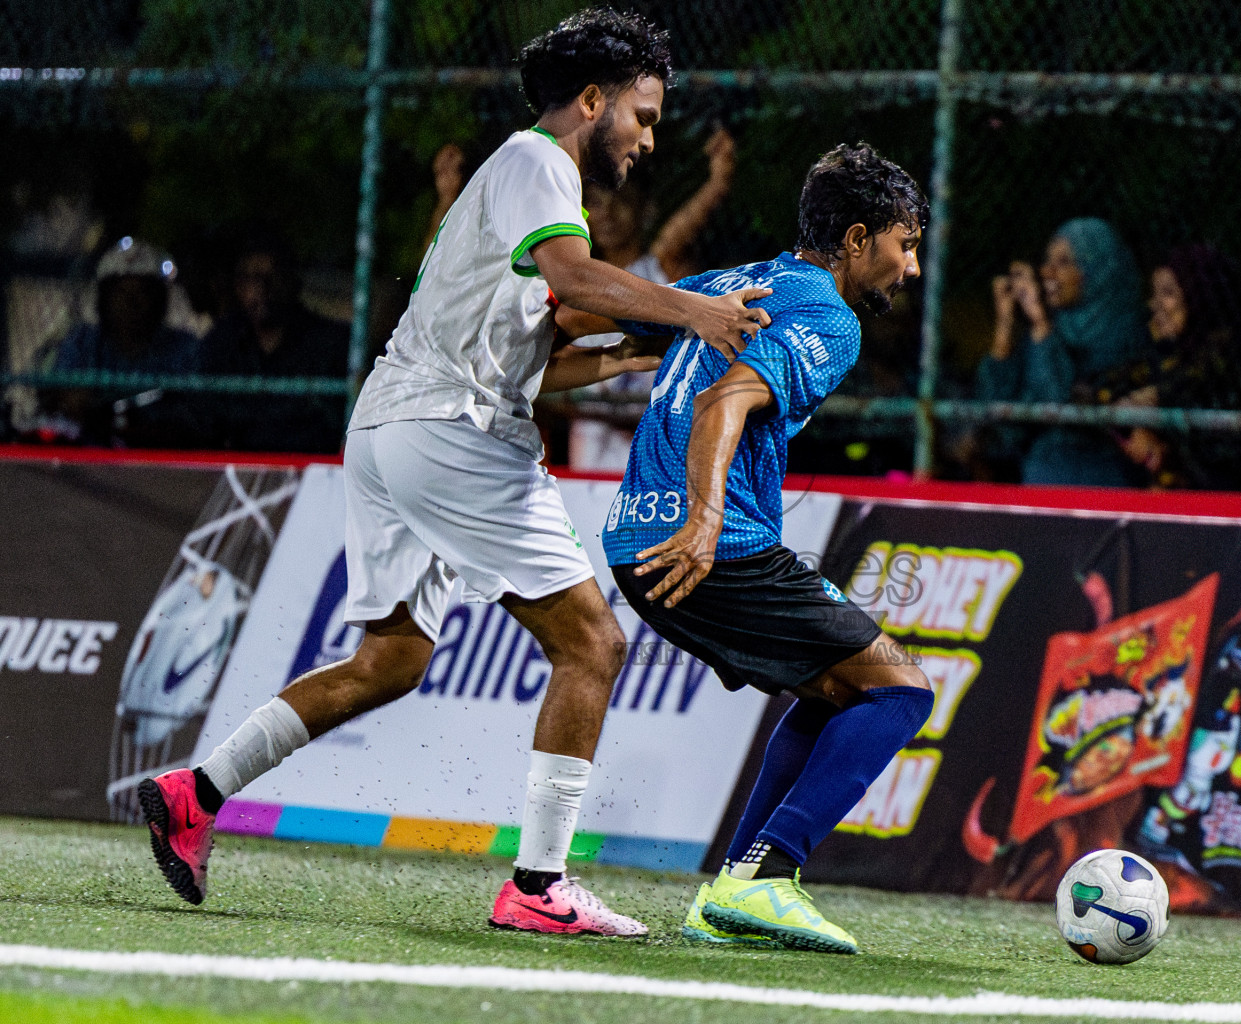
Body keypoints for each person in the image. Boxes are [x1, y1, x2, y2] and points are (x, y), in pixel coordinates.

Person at [136, 7, 771, 938]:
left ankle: (195, 792)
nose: (646, 138)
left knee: (390, 662)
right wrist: (693, 312)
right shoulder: (540, 165)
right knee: (593, 645)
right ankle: (540, 885)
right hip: (451, 432)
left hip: (391, 426)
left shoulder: (516, 180)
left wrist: (628, 358)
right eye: (641, 115)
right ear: (591, 101)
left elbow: (534, 351)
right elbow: (577, 276)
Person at [588, 143, 934, 954]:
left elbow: (577, 315)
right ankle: (765, 878)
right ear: (857, 239)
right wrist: (707, 520)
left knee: (837, 690)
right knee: (901, 692)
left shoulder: (729, 281)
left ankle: (732, 893)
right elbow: (723, 401)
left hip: (632, 537)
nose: (911, 266)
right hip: (711, 545)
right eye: (905, 241)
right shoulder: (828, 315)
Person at [569, 126, 737, 471]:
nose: (607, 214)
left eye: (621, 202)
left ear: (645, 209)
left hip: (654, 444)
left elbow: (674, 238)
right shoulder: (573, 280)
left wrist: (716, 185)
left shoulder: (658, 269)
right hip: (590, 446)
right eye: (596, 203)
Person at [977, 218, 1151, 486]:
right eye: (1048, 261)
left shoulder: (1124, 334)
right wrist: (1004, 325)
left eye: (1065, 263)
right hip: (1041, 482)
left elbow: (1059, 403)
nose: (1047, 272)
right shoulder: (1050, 332)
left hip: (1102, 483)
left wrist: (1040, 324)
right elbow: (1002, 418)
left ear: (1095, 270)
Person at [1114, 244, 1241, 490]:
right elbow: (1101, 393)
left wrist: (1149, 435)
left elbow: (1149, 400)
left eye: (1167, 293)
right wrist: (1141, 438)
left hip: (1230, 492)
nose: (1154, 304)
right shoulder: (1170, 353)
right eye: (1154, 293)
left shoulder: (1224, 354)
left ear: (1199, 295)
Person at [199, 233, 350, 453]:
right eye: (252, 278)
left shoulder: (331, 343)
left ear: (293, 282)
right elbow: (205, 423)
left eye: (274, 276)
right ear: (239, 287)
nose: (262, 288)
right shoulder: (221, 343)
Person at [47, 238, 203, 447]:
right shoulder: (82, 341)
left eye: (143, 291)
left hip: (160, 459)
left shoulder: (185, 347)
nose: (132, 302)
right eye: (121, 292)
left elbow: (195, 415)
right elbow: (65, 398)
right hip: (92, 457)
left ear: (159, 299)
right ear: (104, 298)